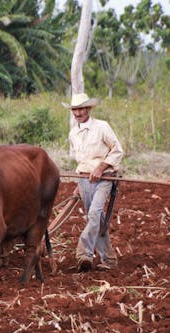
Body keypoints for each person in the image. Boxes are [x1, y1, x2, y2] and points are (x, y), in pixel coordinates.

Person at [62, 93, 124, 272]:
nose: (78, 112)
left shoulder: (102, 127)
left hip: (104, 178)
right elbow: (81, 161)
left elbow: (117, 151)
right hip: (84, 180)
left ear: (88, 109)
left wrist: (100, 168)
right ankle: (109, 260)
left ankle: (84, 254)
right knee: (98, 219)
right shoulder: (73, 133)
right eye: (75, 109)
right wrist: (79, 183)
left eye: (81, 108)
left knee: (94, 215)